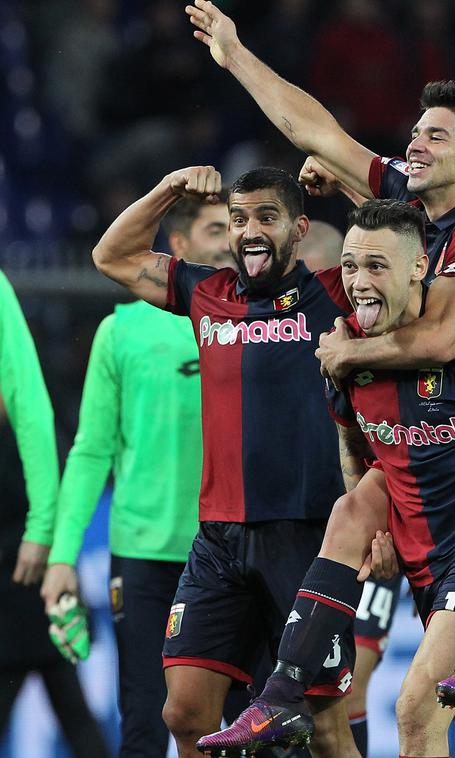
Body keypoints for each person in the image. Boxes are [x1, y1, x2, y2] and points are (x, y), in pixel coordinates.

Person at [186, 2, 455, 715]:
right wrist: (235, 55)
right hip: (451, 438)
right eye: (414, 133)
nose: (413, 145)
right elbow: (315, 128)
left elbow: (444, 341)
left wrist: (349, 350)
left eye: (434, 136)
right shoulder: (413, 208)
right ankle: (288, 688)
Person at [198, 199, 455, 757]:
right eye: (349, 266)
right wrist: (378, 536)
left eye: (376, 267)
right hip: (418, 560)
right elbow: (358, 447)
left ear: (419, 269)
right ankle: (281, 694)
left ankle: (283, 693)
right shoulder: (346, 354)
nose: (358, 283)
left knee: (416, 711)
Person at [90, 164, 359, 758]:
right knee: (184, 714)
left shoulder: (334, 294)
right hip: (216, 539)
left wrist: (346, 178)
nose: (250, 230)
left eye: (267, 216)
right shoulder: (206, 293)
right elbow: (111, 256)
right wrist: (165, 190)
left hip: (304, 539)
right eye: (239, 220)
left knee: (325, 728)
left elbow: (414, 240)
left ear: (299, 227)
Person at [38, 196, 231, 758]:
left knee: (244, 722)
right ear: (179, 246)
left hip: (231, 551)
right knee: (144, 722)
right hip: (144, 554)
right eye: (216, 228)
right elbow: (91, 452)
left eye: (235, 227)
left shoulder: (259, 323)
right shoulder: (119, 331)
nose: (229, 240)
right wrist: (61, 556)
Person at [0, 269, 110, 757]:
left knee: (65, 701)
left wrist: (43, 533)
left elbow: (31, 409)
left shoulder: (29, 435)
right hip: (26, 578)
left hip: (21, 575)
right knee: (69, 703)